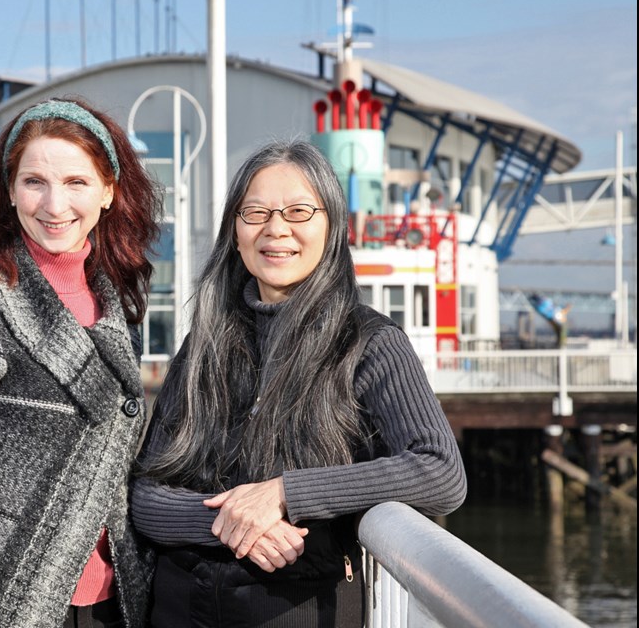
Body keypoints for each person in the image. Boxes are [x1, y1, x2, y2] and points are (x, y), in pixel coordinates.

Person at [130, 139, 467, 627]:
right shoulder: (204, 343)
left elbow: (439, 472)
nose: (275, 229)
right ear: (235, 232)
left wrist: (285, 494)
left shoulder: (368, 342)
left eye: (298, 211)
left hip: (301, 610)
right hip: (182, 609)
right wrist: (231, 523)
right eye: (256, 213)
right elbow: (146, 495)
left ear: (331, 227)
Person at [0, 97, 161, 628]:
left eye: (77, 183)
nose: (55, 204)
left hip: (115, 602)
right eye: (34, 181)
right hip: (9, 604)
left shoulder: (115, 306)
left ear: (108, 192)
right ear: (10, 192)